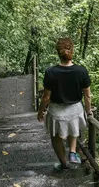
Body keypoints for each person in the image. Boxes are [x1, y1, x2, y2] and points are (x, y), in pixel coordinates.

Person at [37, 37, 92, 170]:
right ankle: (73, 153)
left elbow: (46, 97)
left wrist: (40, 111)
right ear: (72, 51)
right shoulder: (81, 71)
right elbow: (87, 95)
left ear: (58, 52)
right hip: (75, 110)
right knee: (73, 130)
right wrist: (88, 110)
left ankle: (64, 164)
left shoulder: (51, 72)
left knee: (56, 138)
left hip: (57, 111)